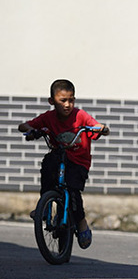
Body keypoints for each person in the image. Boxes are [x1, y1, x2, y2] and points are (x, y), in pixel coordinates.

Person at [18, 79, 110, 249]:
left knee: (73, 191)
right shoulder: (49, 117)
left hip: (78, 162)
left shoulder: (80, 115)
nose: (68, 104)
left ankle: (81, 223)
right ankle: (44, 208)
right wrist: (30, 130)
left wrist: (101, 128)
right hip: (59, 157)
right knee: (47, 164)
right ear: (52, 101)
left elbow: (94, 124)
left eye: (71, 100)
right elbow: (25, 125)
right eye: (63, 100)